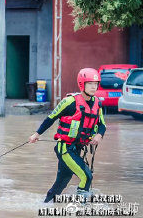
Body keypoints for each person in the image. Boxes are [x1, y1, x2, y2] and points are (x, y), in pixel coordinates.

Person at [29, 68, 106, 203]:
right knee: (86, 176)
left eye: (96, 83)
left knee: (62, 181)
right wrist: (36, 134)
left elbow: (102, 125)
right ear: (82, 84)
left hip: (77, 148)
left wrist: (99, 135)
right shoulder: (69, 102)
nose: (94, 87)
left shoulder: (97, 104)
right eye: (90, 83)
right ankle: (81, 209)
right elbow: (50, 118)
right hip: (65, 148)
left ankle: (45, 205)